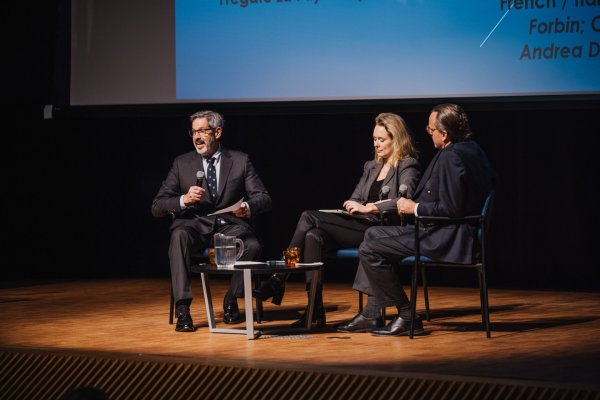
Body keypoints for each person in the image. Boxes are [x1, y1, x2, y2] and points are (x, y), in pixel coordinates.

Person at [336, 103, 494, 336]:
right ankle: (372, 313)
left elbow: (450, 209)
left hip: (446, 236)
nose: (428, 133)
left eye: (431, 130)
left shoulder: (452, 157)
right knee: (372, 234)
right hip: (448, 231)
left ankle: (407, 315)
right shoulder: (472, 149)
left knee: (370, 249)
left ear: (444, 133)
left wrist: (414, 207)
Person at [253, 112, 421, 328]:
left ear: (396, 139)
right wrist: (353, 206)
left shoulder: (408, 164)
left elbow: (403, 200)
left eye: (381, 140)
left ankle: (280, 277)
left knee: (308, 216)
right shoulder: (371, 166)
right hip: (360, 224)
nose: (376, 145)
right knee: (314, 236)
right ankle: (315, 309)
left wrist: (370, 207)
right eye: (374, 139)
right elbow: (356, 197)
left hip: (383, 229)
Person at [151, 110, 272, 332]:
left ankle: (230, 299)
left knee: (253, 245)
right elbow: (158, 206)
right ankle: (183, 309)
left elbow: (264, 198)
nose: (197, 137)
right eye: (193, 132)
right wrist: (184, 200)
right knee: (178, 236)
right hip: (194, 227)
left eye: (203, 131)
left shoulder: (240, 160)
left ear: (217, 132)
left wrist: (247, 207)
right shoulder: (181, 163)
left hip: (230, 228)